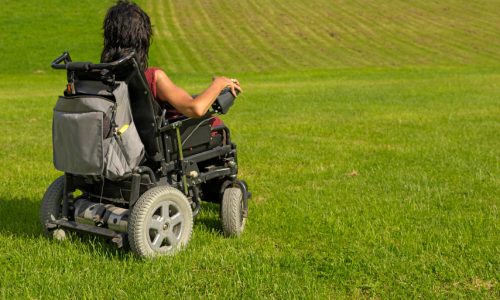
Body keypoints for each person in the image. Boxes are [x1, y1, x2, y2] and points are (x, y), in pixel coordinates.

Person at [100, 0, 241, 121]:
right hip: (149, 149)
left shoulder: (99, 78)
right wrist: (219, 83)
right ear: (143, 38)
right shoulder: (152, 77)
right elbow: (195, 109)